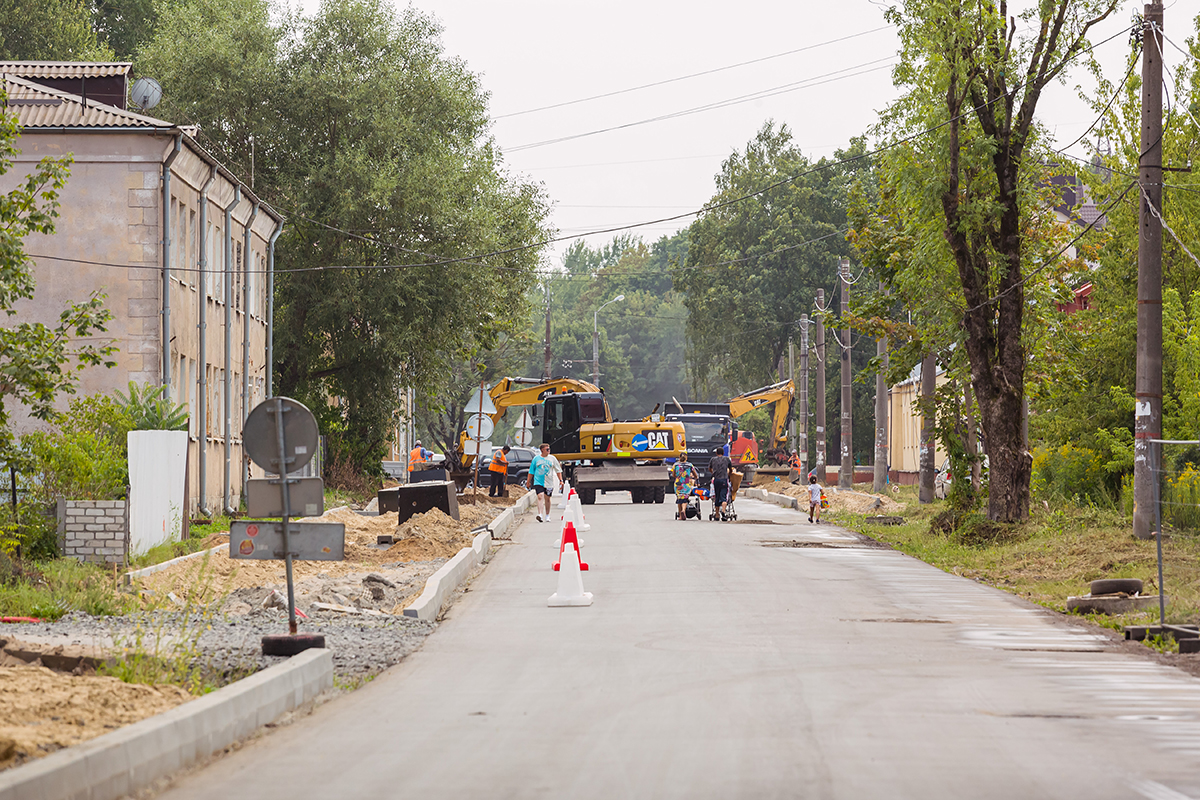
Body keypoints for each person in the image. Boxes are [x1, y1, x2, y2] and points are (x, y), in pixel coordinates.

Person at [527, 443, 555, 522]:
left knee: (547, 499)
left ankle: (547, 515)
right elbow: (531, 471)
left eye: (549, 449)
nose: (549, 450)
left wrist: (561, 481)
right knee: (540, 496)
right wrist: (528, 481)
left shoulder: (552, 458)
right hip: (538, 482)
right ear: (542, 450)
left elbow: (558, 469)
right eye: (547, 449)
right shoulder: (536, 459)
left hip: (548, 482)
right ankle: (540, 514)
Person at [670, 452, 699, 520]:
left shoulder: (675, 465)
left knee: (679, 498)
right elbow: (695, 475)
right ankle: (683, 510)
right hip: (686, 484)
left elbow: (673, 475)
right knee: (685, 499)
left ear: (679, 458)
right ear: (686, 458)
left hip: (678, 484)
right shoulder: (690, 465)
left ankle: (680, 515)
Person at [708, 450, 732, 520]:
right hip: (724, 479)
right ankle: (723, 512)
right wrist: (729, 474)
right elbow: (730, 469)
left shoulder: (713, 459)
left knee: (717, 496)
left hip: (716, 480)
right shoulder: (727, 459)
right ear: (723, 453)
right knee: (724, 497)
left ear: (716, 453)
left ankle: (717, 515)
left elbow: (709, 468)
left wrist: (713, 473)